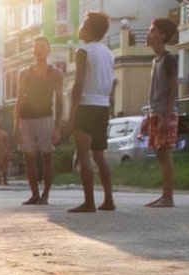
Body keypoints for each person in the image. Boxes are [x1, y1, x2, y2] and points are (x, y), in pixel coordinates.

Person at [66, 11, 115, 213]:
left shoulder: (83, 51)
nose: (81, 26)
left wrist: (71, 114)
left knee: (84, 155)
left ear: (91, 29)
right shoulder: (108, 53)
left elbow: (78, 84)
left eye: (84, 23)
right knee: (99, 155)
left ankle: (89, 202)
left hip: (86, 105)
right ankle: (109, 200)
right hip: (103, 106)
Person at [15, 36, 63, 205]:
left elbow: (60, 101)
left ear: (49, 50)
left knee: (47, 157)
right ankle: (34, 194)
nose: (40, 50)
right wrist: (16, 126)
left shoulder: (56, 73)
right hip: (27, 119)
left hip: (46, 117)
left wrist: (57, 126)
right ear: (33, 51)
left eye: (43, 47)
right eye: (36, 47)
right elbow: (19, 100)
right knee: (29, 158)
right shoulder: (24, 73)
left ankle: (46, 195)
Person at [144, 18, 179, 208]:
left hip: (166, 114)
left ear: (162, 36)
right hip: (156, 113)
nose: (149, 35)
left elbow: (174, 90)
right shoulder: (155, 60)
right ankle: (164, 195)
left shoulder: (168, 59)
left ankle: (169, 197)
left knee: (165, 154)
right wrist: (149, 115)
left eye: (152, 31)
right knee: (159, 154)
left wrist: (166, 115)